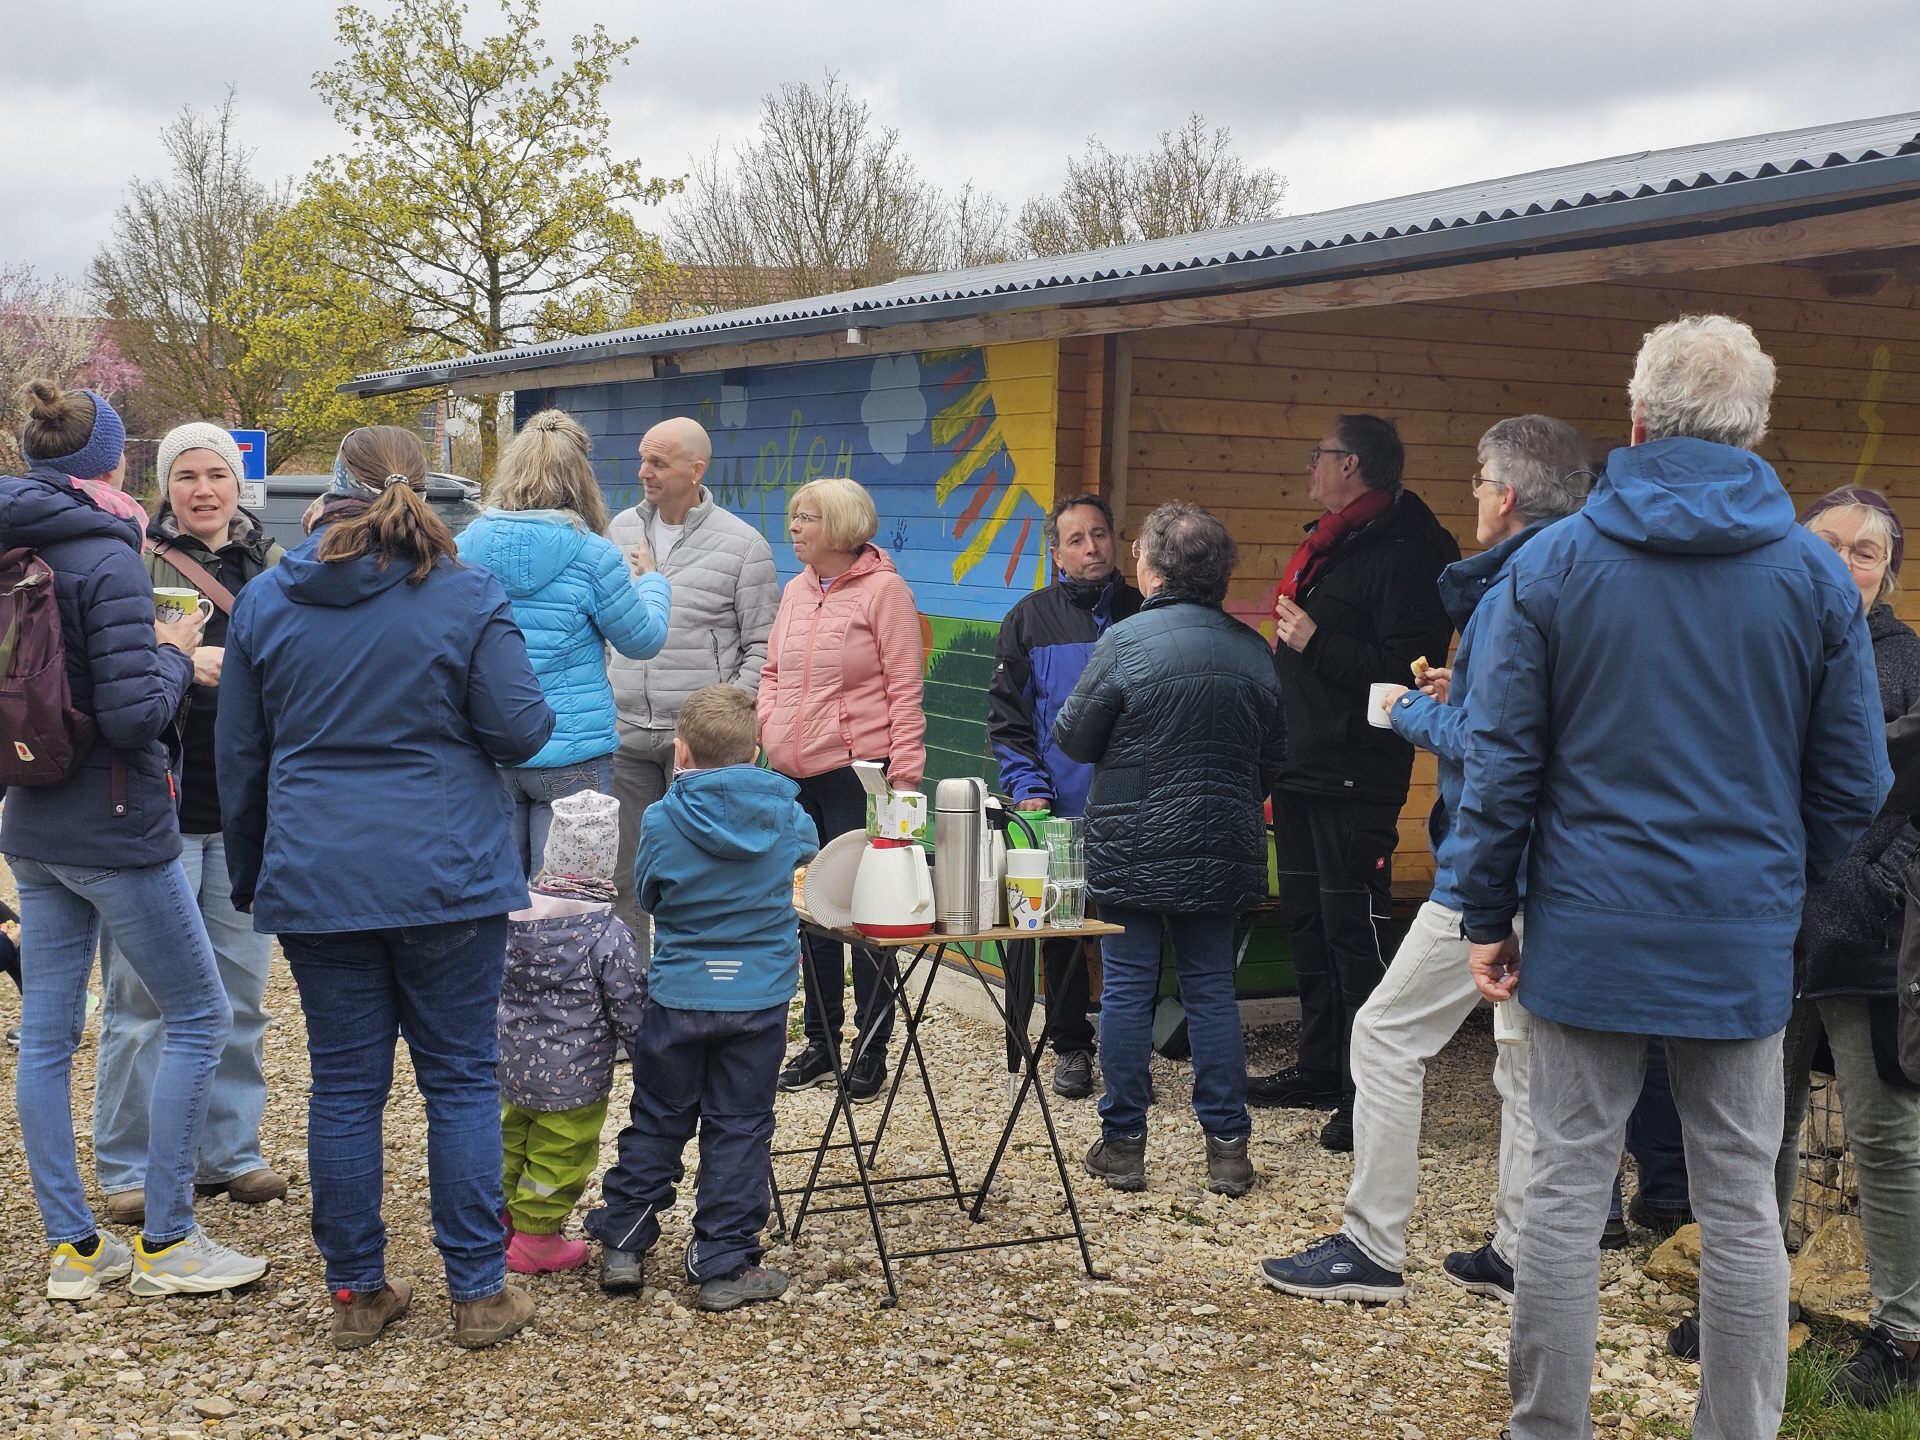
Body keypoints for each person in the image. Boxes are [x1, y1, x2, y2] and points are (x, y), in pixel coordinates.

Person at [1451, 315, 1889, 1440]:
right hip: (1738, 931)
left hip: (1585, 928)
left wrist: (1487, 910)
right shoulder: (1813, 576)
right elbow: (1854, 781)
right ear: (1757, 427)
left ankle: (1548, 1428)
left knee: (1563, 1189)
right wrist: (1779, 889)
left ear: (1639, 420)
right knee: (1740, 1201)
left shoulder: (1553, 564)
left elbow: (1501, 766)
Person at [218, 425, 557, 1350]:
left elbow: (240, 759)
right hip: (449, 875)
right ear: (427, 490)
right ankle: (478, 1293)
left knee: (343, 1087)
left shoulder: (266, 600)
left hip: (317, 875)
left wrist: (255, 878)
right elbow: (523, 733)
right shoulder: (466, 593)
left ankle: (357, 1294)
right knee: (459, 1081)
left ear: (331, 490)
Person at [1259, 414, 1588, 1304]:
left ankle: (1372, 1247)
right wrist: (1463, 690)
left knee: (1386, 1034)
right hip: (1564, 864)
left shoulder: (1514, 588)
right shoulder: (1589, 579)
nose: (1472, 493)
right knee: (1522, 1061)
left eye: (1479, 479)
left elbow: (1496, 748)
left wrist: (1415, 713)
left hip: (1496, 863)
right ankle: (1518, 1254)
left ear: (1507, 495)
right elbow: (1542, 721)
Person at [1, 382, 266, 1299]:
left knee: (47, 1037)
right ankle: (168, 1239)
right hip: (117, 823)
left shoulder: (15, 542)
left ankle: (73, 1250)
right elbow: (129, 717)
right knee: (200, 1016)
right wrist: (174, 654)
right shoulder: (107, 554)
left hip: (31, 818)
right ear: (114, 462)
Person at [1053, 502, 1285, 1197]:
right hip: (1222, 840)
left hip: (1131, 842)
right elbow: (1273, 760)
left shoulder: (1124, 642)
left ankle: (1124, 1145)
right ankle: (1228, 1151)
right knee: (1211, 990)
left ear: (1153, 569)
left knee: (1127, 988)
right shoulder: (1253, 649)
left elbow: (1073, 738)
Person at [91, 423, 288, 1228]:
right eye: (186, 476)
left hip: (242, 815)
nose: (203, 490)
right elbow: (99, 668)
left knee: (240, 994)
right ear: (164, 485)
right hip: (155, 813)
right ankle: (129, 1166)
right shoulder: (128, 562)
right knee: (141, 1000)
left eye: (216, 474)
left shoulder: (273, 567)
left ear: (238, 483)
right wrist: (175, 660)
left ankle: (228, 1153)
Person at [1252, 414, 1461, 1151]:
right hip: (1302, 765)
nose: (1310, 465)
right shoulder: (1339, 540)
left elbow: (1408, 672)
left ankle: (1366, 1092)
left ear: (1352, 464)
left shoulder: (1410, 551)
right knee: (1308, 922)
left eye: (1320, 454)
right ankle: (1319, 1068)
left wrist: (1317, 642)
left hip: (1355, 771)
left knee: (1353, 931)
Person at [586, 685, 817, 1309]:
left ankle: (625, 1240)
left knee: (658, 1116)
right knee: (740, 1126)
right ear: (757, 751)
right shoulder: (787, 813)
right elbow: (807, 856)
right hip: (758, 996)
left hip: (681, 993)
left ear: (681, 752)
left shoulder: (662, 818)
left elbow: (648, 894)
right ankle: (722, 1260)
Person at [1768, 485, 1920, 1406]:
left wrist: (1877, 880)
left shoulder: (1909, 664)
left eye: (1865, 552)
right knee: (1761, 1124)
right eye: (1826, 541)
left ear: (1885, 575)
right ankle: (1754, 1299)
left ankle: (1903, 1334)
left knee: (1883, 1136)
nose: (1842, 562)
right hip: (1765, 928)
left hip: (1870, 937)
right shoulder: (1763, 642)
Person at [762, 476, 925, 1103]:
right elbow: (771, 671)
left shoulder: (886, 591)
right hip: (792, 775)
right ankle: (821, 1042)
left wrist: (903, 777)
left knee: (868, 913)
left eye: (807, 517)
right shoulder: (795, 590)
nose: (795, 527)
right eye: (794, 515)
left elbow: (904, 687)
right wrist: (768, 725)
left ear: (840, 526)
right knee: (811, 910)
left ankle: (872, 1045)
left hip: (859, 775)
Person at [456, 410, 671, 876]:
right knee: (569, 901)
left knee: (498, 896)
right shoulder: (593, 555)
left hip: (490, 747)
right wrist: (654, 583)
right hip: (573, 751)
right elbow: (643, 640)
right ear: (580, 477)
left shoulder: (466, 546)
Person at [987, 493, 1142, 1099]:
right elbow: (1009, 721)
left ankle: (1129, 1052)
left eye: (1100, 535)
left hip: (1136, 807)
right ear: (1055, 553)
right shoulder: (1029, 620)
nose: (1092, 548)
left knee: (1133, 929)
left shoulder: (1144, 612)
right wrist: (1029, 790)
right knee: (1062, 931)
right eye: (1076, 540)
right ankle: (1071, 1045)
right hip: (1060, 809)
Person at [607, 416, 779, 946]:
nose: (643, 472)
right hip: (624, 736)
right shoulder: (618, 531)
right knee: (624, 880)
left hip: (702, 746)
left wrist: (724, 722)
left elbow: (763, 647)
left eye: (657, 462)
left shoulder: (744, 546)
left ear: (695, 470)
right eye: (643, 459)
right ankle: (630, 990)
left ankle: (695, 984)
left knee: (700, 875)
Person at [497, 790, 646, 1277]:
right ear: (607, 862)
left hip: (510, 1063)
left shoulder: (511, 915)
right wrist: (646, 1053)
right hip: (574, 1077)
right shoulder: (607, 932)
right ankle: (536, 1236)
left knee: (508, 1141)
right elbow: (628, 1002)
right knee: (559, 1153)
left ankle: (499, 1222)